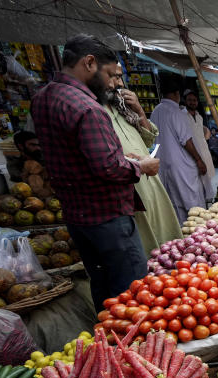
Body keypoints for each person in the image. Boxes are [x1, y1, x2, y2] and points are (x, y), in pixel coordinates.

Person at [31, 34, 158, 311]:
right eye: (110, 74)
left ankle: (107, 339)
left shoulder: (43, 98)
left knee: (102, 284)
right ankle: (134, 346)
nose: (113, 82)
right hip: (108, 216)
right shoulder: (88, 108)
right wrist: (141, 166)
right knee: (131, 290)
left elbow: (76, 155)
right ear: (89, 63)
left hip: (78, 216)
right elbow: (109, 168)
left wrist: (121, 156)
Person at [103, 64, 182, 256]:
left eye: (121, 78)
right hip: (129, 182)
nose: (120, 84)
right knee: (145, 242)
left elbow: (149, 138)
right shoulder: (94, 112)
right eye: (115, 77)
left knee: (166, 237)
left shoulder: (122, 108)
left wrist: (138, 109)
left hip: (150, 181)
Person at [150, 75, 208, 222]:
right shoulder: (177, 112)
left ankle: (181, 232)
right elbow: (186, 141)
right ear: (177, 94)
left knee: (174, 201)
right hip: (182, 165)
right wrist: (199, 160)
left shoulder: (156, 111)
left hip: (163, 164)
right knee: (193, 203)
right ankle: (198, 231)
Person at [182, 89, 216, 201]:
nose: (192, 102)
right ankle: (200, 203)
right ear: (185, 101)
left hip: (204, 150)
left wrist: (206, 133)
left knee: (207, 178)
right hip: (192, 152)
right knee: (196, 181)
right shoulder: (181, 115)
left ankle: (207, 201)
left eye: (195, 100)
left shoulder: (199, 116)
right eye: (190, 100)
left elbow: (201, 132)